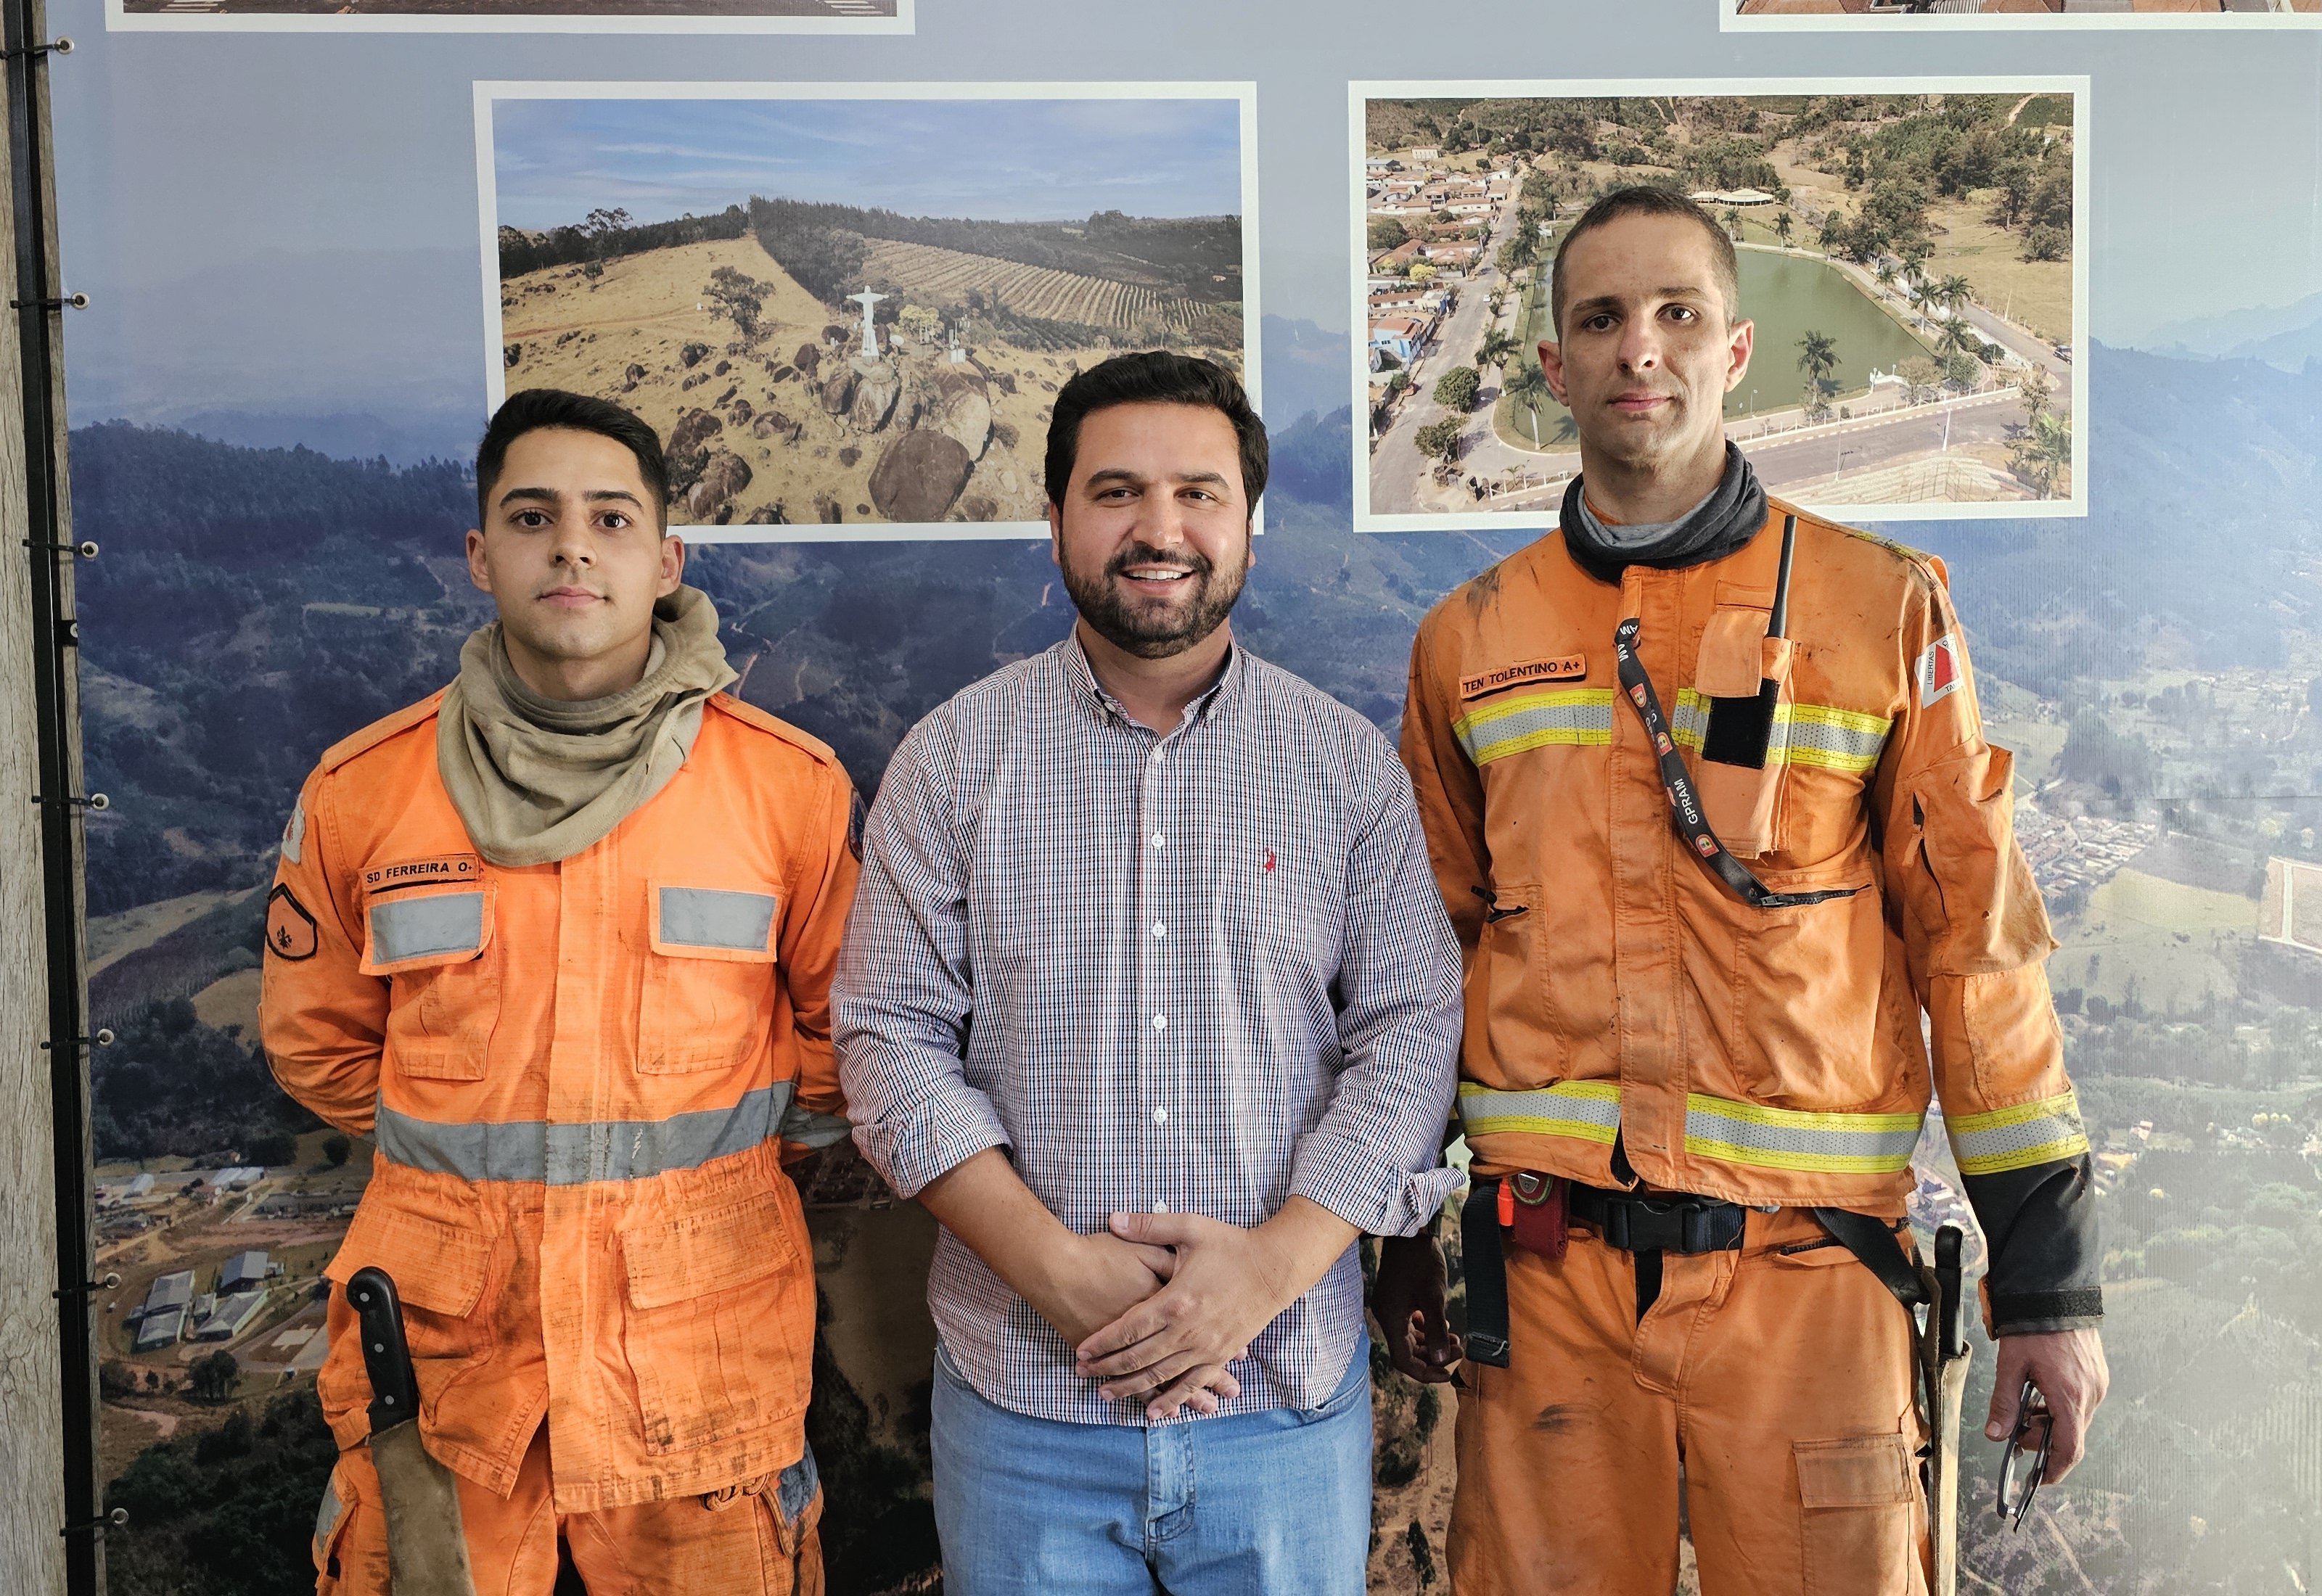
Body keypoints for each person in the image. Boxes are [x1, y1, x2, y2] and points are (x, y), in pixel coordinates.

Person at [1377, 187, 2109, 1595]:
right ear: (1553, 367)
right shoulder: (1466, 640)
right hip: (1550, 1291)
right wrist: (1403, 1219)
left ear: (1736, 349)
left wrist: (2049, 1284)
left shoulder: (1881, 609)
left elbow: (1976, 951)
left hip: (1812, 1288)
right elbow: (1426, 958)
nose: (1636, 347)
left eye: (1675, 315)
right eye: (1598, 318)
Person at [834, 350, 1461, 1595]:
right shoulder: (954, 759)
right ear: (1056, 514)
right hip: (1025, 1415)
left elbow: (1411, 1029)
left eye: (1199, 493)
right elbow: (886, 1040)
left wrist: (1271, 1271)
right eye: (1116, 491)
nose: (1159, 529)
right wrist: (1053, 1268)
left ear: (1248, 522)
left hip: (1281, 1404)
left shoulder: (1341, 769)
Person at [260, 388, 858, 1595]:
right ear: (481, 556)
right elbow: (317, 1049)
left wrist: (706, 1187)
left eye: (610, 518)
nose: (572, 546)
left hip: (699, 1369)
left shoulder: (785, 791)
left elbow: (849, 1042)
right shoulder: (364, 793)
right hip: (444, 1379)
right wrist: (473, 1193)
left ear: (665, 559)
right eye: (533, 517)